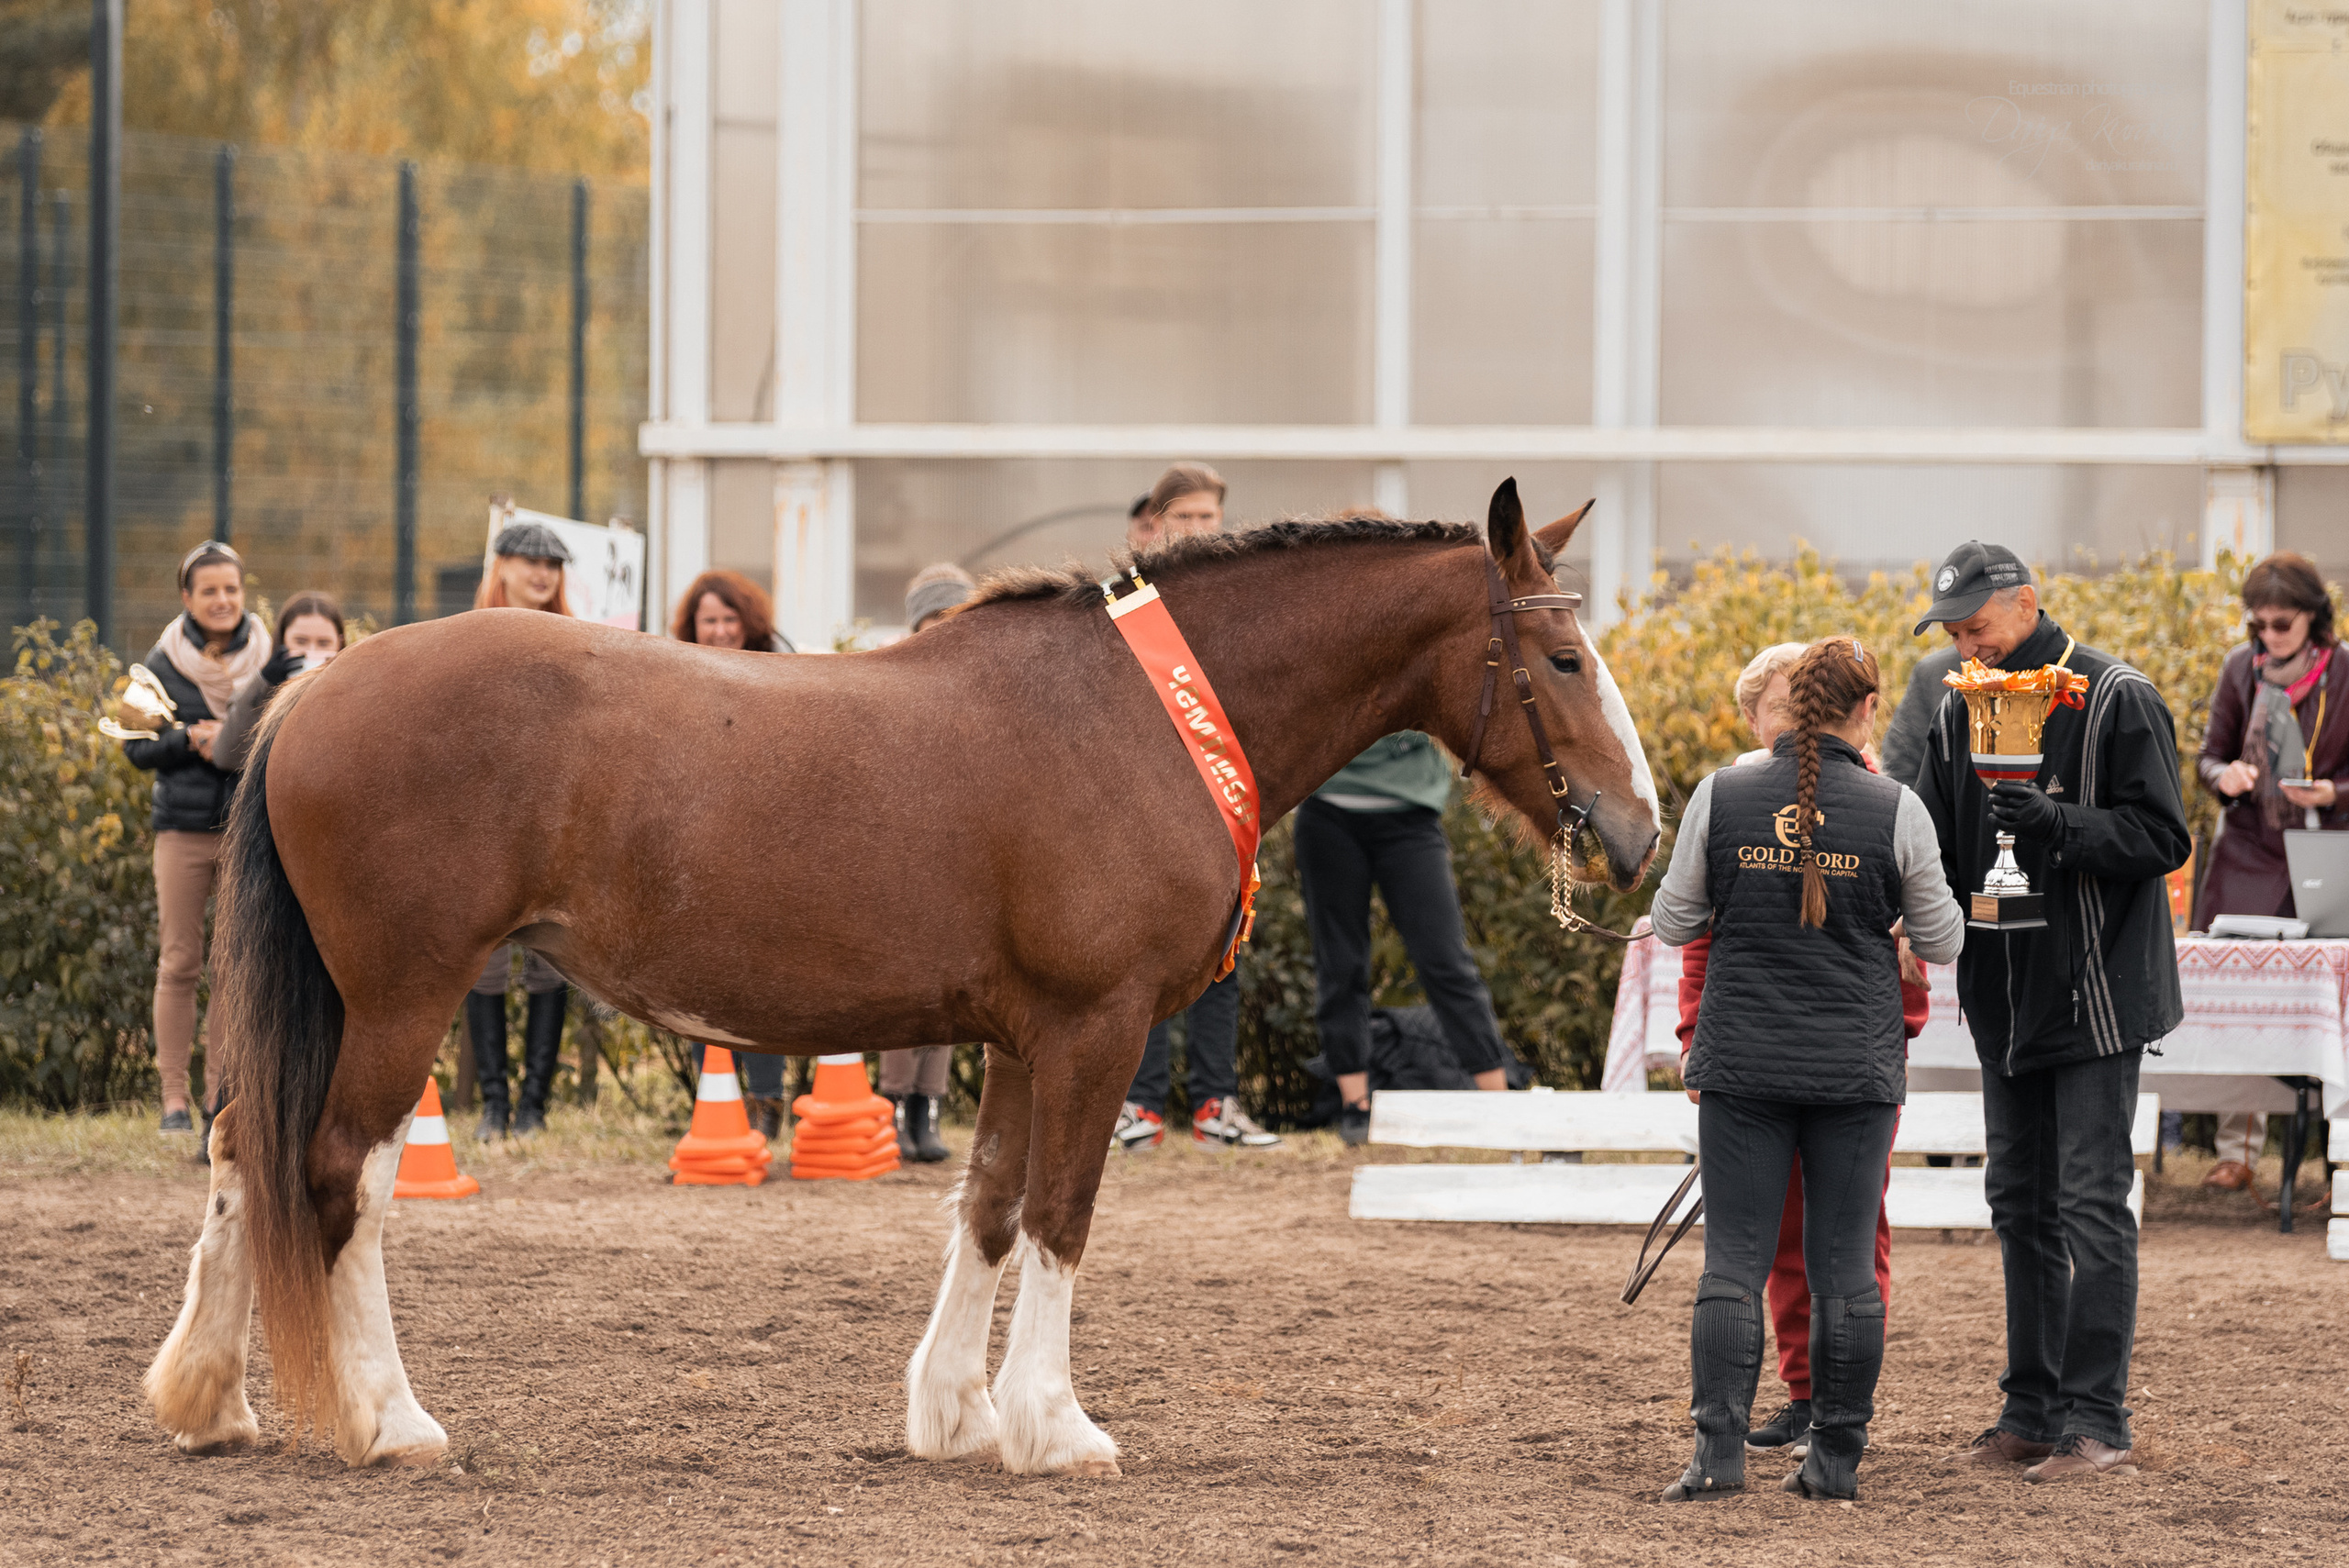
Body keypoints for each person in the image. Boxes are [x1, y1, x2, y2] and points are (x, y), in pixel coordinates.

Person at [1649, 637, 1965, 1503]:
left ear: (1787, 710)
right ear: (1867, 710)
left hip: (1743, 1061)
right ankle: (1834, 1460)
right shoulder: (1898, 807)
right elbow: (1942, 939)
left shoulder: (1721, 792)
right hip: (1854, 1067)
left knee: (1731, 1264)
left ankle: (1717, 1456)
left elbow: (1673, 922)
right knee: (1846, 1269)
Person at [1911, 541, 2191, 1484]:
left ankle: (2098, 1420)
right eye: (1954, 634)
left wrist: (2059, 825)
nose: (1966, 647)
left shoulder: (2118, 695)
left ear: (2026, 602)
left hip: (2096, 991)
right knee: (2016, 1201)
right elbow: (1932, 842)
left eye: (1976, 627)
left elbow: (2163, 836)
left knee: (2088, 1202)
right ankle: (2030, 1409)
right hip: (2001, 993)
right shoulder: (1956, 708)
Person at [1109, 463, 1282, 1151]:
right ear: (1154, 525)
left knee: (1222, 952)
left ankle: (1216, 1103)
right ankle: (1139, 1107)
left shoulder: (1240, 601)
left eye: (1209, 516)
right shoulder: (1125, 602)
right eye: (1185, 517)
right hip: (1139, 801)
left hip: (1219, 802)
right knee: (1140, 959)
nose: (1199, 529)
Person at [2189, 551, 2345, 1195]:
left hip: (2327, 849)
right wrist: (2225, 776)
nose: (2270, 635)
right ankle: (2238, 1150)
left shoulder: (2345, 672)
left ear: (2313, 617)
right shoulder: (2239, 666)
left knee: (2335, 1000)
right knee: (2241, 1000)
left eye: (2282, 623)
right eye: (2260, 624)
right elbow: (2208, 757)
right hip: (2249, 852)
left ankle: (2339, 1153)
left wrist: (2332, 793)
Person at [1297, 728, 1517, 1147]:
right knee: (1340, 965)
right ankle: (1356, 1108)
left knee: (1447, 963)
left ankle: (1499, 1106)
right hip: (1328, 814)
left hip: (1412, 822)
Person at [123, 541, 273, 1135]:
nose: (222, 600)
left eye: (231, 589)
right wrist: (188, 739)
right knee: (180, 961)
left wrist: (232, 741)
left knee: (234, 966)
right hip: (181, 831)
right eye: (209, 590)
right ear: (187, 597)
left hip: (245, 831)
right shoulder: (162, 662)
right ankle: (173, 1101)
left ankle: (220, 1098)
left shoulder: (269, 658)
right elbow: (136, 749)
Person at [669, 567, 796, 1132]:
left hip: (769, 855)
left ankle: (767, 1105)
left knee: (765, 983)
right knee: (703, 981)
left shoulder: (787, 673)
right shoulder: (674, 679)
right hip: (701, 855)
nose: (720, 630)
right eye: (709, 621)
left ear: (749, 622)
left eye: (729, 618)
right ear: (692, 627)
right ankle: (715, 1108)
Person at [467, 519, 579, 1137]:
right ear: (501, 565)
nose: (543, 573)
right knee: (481, 965)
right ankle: (493, 1103)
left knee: (551, 964)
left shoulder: (577, 641)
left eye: (553, 564)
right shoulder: (468, 640)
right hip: (485, 827)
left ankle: (534, 1104)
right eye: (531, 560)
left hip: (556, 827)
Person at [874, 562, 979, 1163]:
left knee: (947, 991)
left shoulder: (982, 687)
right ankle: (891, 1101)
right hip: (902, 857)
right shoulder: (892, 680)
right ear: (916, 623)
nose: (945, 626)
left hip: (960, 860)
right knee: (901, 987)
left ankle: (928, 1106)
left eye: (955, 614)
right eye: (935, 616)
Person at [212, 591, 347, 773]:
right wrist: (265, 683)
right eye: (301, 641)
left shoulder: (353, 695)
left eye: (323, 643)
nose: (311, 651)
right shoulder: (256, 691)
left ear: (339, 643)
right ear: (283, 640)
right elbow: (226, 756)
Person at [1880, 644, 1965, 789]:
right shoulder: (1934, 674)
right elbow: (1901, 766)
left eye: (1978, 632)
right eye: (1955, 635)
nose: (1968, 649)